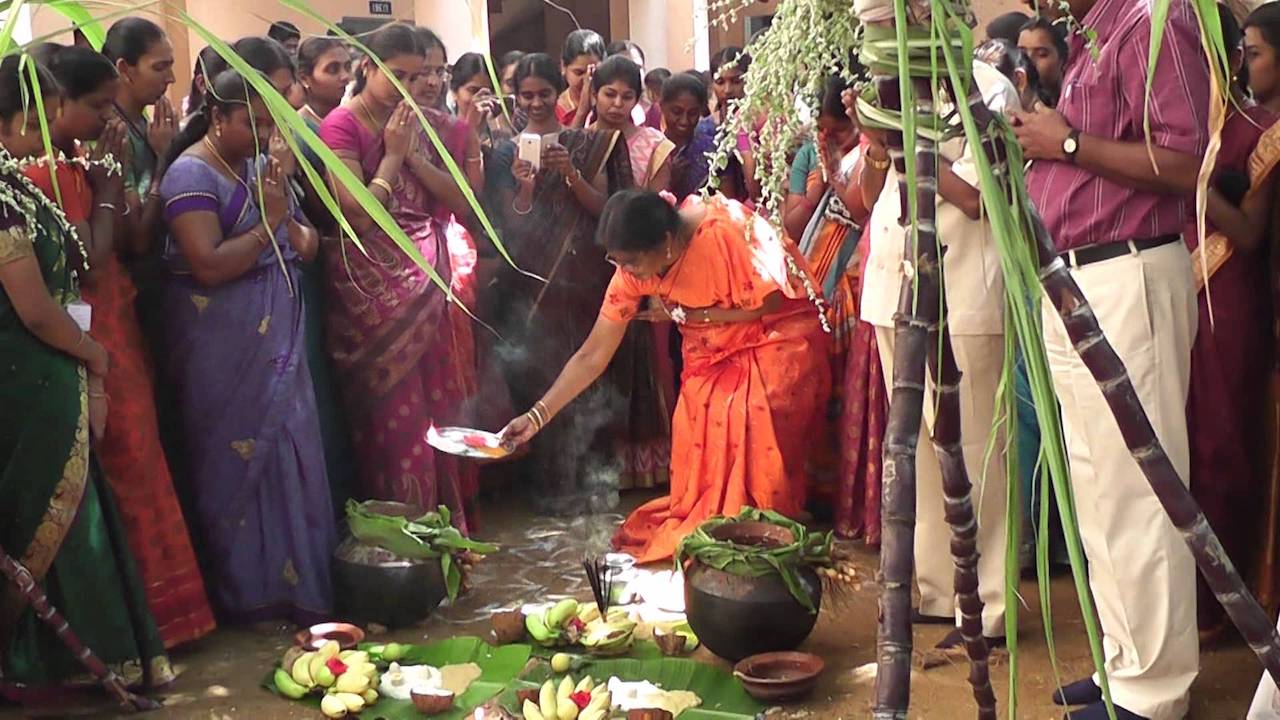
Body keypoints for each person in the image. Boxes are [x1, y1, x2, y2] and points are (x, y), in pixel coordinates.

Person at [1013, 0, 1210, 709]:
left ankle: (1155, 693)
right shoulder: (1095, 30)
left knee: (1140, 491)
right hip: (1080, 277)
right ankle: (1121, 663)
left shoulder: (1157, 19)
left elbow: (1191, 160)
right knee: (1099, 488)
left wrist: (1065, 146)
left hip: (1129, 270)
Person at [501, 190, 830, 563]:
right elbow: (593, 354)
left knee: (745, 412)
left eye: (633, 262)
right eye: (619, 262)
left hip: (775, 338)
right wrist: (536, 417)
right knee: (700, 430)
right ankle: (728, 526)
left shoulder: (726, 230)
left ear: (668, 243)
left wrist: (701, 317)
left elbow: (769, 303)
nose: (627, 272)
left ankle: (762, 535)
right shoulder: (634, 270)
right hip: (708, 354)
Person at [24, 43, 216, 650]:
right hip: (81, 336)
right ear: (54, 105)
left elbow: (132, 235)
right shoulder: (33, 177)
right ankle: (122, 629)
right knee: (114, 467)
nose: (110, 120)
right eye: (97, 107)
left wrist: (149, 167)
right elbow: (88, 253)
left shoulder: (83, 159)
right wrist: (106, 189)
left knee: (141, 456)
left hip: (119, 325)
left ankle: (165, 619)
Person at [0, 53, 174, 699]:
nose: (52, 131)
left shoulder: (15, 185)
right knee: (48, 521)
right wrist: (95, 356)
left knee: (76, 517)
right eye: (40, 119)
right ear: (14, 118)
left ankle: (92, 665)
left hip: (53, 372)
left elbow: (76, 254)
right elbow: (35, 308)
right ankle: (38, 670)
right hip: (26, 378)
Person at [160, 68, 335, 625]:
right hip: (221, 346)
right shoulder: (189, 175)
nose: (264, 137)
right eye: (252, 125)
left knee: (293, 457)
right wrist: (269, 224)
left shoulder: (266, 168)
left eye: (269, 125)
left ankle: (299, 593)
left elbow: (308, 246)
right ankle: (243, 599)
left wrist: (285, 209)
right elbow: (207, 266)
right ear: (217, 119)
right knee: (233, 461)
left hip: (281, 345)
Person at [860, 59, 1012, 652]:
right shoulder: (887, 79)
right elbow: (873, 196)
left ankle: (987, 606)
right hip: (893, 287)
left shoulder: (983, 87)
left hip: (964, 289)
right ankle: (933, 590)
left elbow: (977, 198)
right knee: (918, 451)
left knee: (975, 450)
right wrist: (878, 148)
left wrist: (902, 143)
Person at [488, 52, 668, 510]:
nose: (534, 102)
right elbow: (512, 224)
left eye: (543, 93)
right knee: (541, 375)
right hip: (536, 287)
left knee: (593, 374)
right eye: (525, 95)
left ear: (561, 92)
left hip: (589, 279)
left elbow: (611, 212)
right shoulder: (507, 150)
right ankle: (550, 491)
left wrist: (569, 173)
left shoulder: (595, 144)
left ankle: (598, 488)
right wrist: (525, 185)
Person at [318, 23, 478, 528]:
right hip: (372, 296)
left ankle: (443, 538)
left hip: (428, 289)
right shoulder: (341, 126)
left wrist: (410, 153)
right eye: (399, 75)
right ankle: (401, 541)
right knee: (395, 423)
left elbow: (460, 203)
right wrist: (391, 154)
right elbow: (358, 214)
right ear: (368, 67)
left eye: (421, 76)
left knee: (438, 412)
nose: (411, 88)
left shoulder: (423, 124)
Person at [1182, 2, 1277, 646]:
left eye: (1257, 51)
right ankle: (1187, 600)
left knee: (1224, 446)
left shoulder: (1269, 133)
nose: (1245, 60)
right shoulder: (1214, 118)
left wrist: (1193, 184)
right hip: (1188, 292)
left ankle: (1222, 603)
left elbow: (1246, 232)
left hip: (1234, 296)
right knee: (1188, 439)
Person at [781, 75, 882, 540]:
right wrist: (819, 178)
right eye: (823, 130)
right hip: (814, 278)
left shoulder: (875, 150)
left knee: (850, 389)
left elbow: (862, 208)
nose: (828, 139)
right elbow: (792, 218)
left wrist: (840, 169)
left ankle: (850, 499)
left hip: (860, 282)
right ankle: (817, 496)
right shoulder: (808, 154)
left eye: (838, 132)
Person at [590, 55, 672, 191]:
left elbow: (658, 205)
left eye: (627, 97)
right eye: (610, 95)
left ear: (636, 100)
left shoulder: (655, 145)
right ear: (594, 95)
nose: (618, 103)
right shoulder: (580, 141)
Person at [696, 46, 756, 201]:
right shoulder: (705, 129)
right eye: (720, 82)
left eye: (736, 81)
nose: (728, 90)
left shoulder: (762, 124)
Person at [662, 71, 713, 202]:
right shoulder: (652, 148)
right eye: (677, 112)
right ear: (662, 106)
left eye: (692, 113)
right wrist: (669, 180)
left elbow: (726, 199)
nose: (684, 121)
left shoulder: (712, 150)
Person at [557, 28, 606, 127]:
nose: (587, 79)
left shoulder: (613, 103)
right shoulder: (554, 109)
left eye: (593, 71)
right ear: (563, 67)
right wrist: (582, 112)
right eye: (579, 72)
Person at [1018, 17, 1069, 105]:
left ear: (1062, 59)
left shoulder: (1075, 105)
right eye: (1022, 54)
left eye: (1041, 54)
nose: (1028, 61)